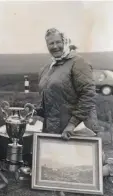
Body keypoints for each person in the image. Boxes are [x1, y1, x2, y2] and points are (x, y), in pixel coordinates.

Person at [36, 28, 112, 194]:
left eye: (58, 42)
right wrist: (36, 110)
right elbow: (51, 99)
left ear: (65, 42)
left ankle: (107, 170)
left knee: (84, 172)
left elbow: (88, 95)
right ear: (47, 45)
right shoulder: (48, 68)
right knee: (61, 171)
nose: (55, 46)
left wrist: (71, 124)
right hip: (55, 127)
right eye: (51, 43)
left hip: (78, 127)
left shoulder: (78, 63)